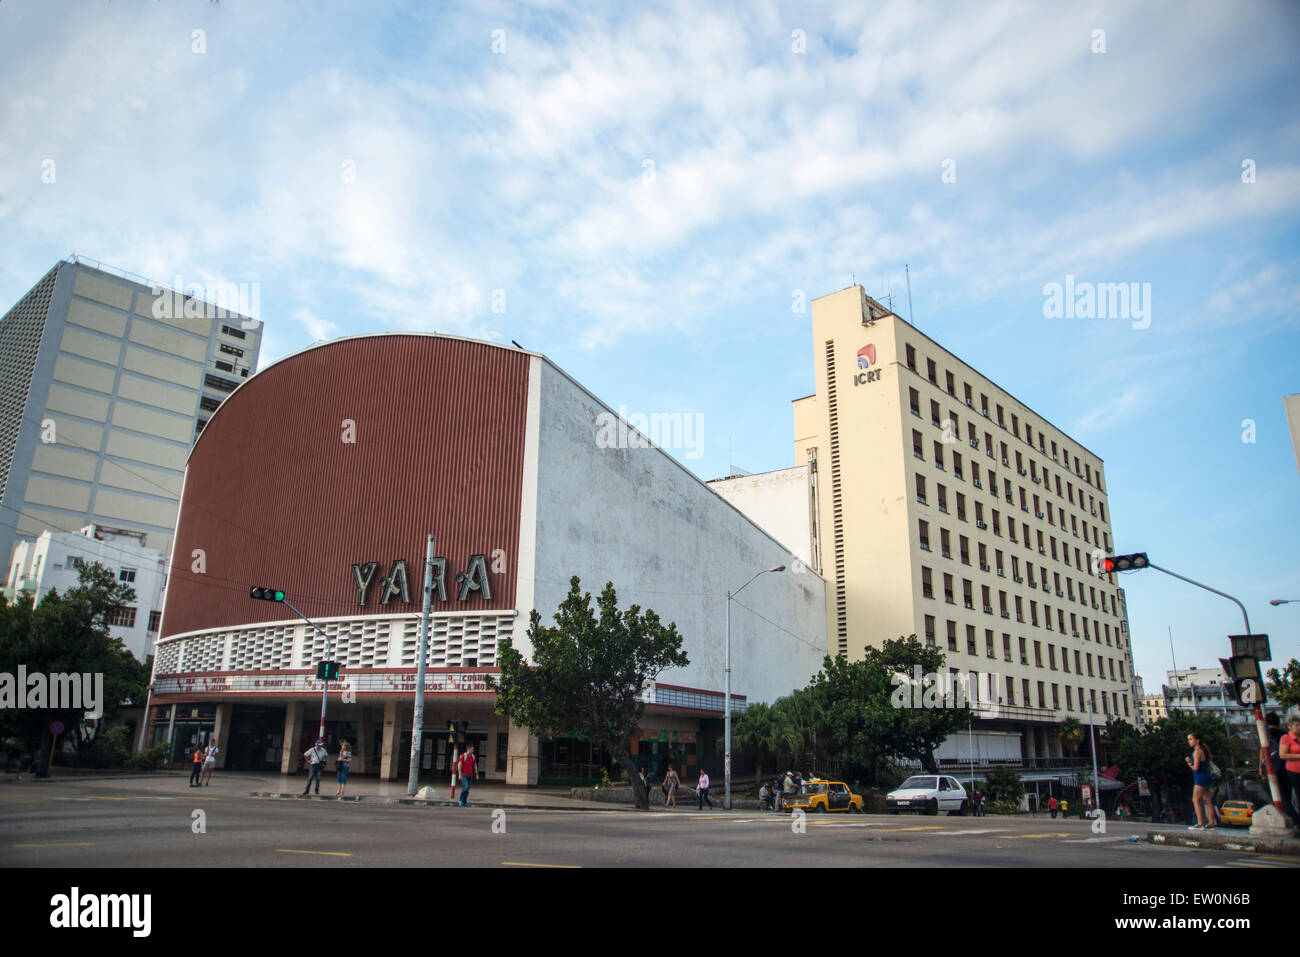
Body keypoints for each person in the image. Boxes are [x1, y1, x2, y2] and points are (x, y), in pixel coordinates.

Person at [1261, 712, 1299, 826]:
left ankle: (1294, 821)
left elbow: (1263, 751)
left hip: (1275, 767)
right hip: (1287, 768)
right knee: (1289, 795)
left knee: (1282, 797)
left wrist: (1261, 766)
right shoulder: (1285, 735)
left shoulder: (1266, 734)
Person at [1185, 731, 1218, 830]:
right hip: (1206, 777)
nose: (1189, 742)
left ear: (1197, 740)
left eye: (1191, 739)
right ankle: (1211, 822)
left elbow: (1196, 768)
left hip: (1200, 778)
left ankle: (1200, 823)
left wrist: (1188, 763)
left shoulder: (1197, 752)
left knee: (1195, 800)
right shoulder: (1201, 751)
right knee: (1208, 801)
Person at [1281, 716, 1300, 824]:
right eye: (1296, 725)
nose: (1299, 728)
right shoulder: (1286, 738)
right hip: (1294, 771)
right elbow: (1283, 754)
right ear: (1289, 727)